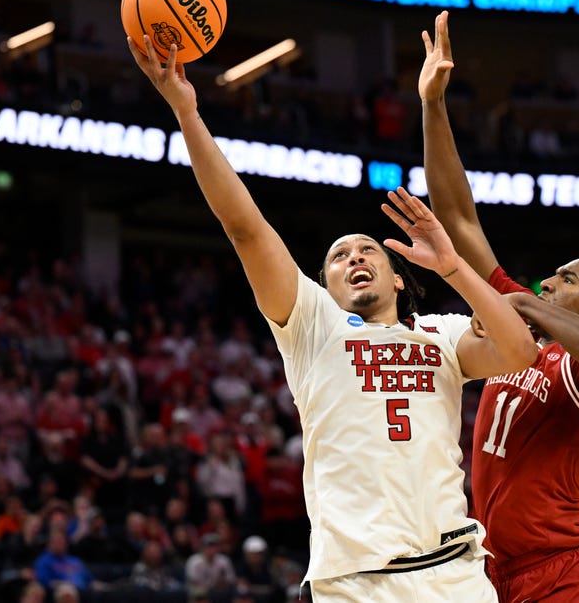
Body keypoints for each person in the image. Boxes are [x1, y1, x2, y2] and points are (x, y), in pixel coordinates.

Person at [129, 33, 539, 601]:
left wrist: (454, 268)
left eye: (367, 249)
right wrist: (186, 110)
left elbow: (521, 353)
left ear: (399, 275)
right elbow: (244, 227)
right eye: (339, 257)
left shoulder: (441, 332)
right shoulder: (311, 325)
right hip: (355, 583)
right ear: (324, 285)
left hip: (455, 575)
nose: (354, 259)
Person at [418, 10, 579, 602]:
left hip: (569, 575)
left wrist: (522, 300)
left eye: (568, 280)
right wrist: (434, 106)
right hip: (492, 574)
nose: (550, 281)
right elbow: (459, 218)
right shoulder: (517, 321)